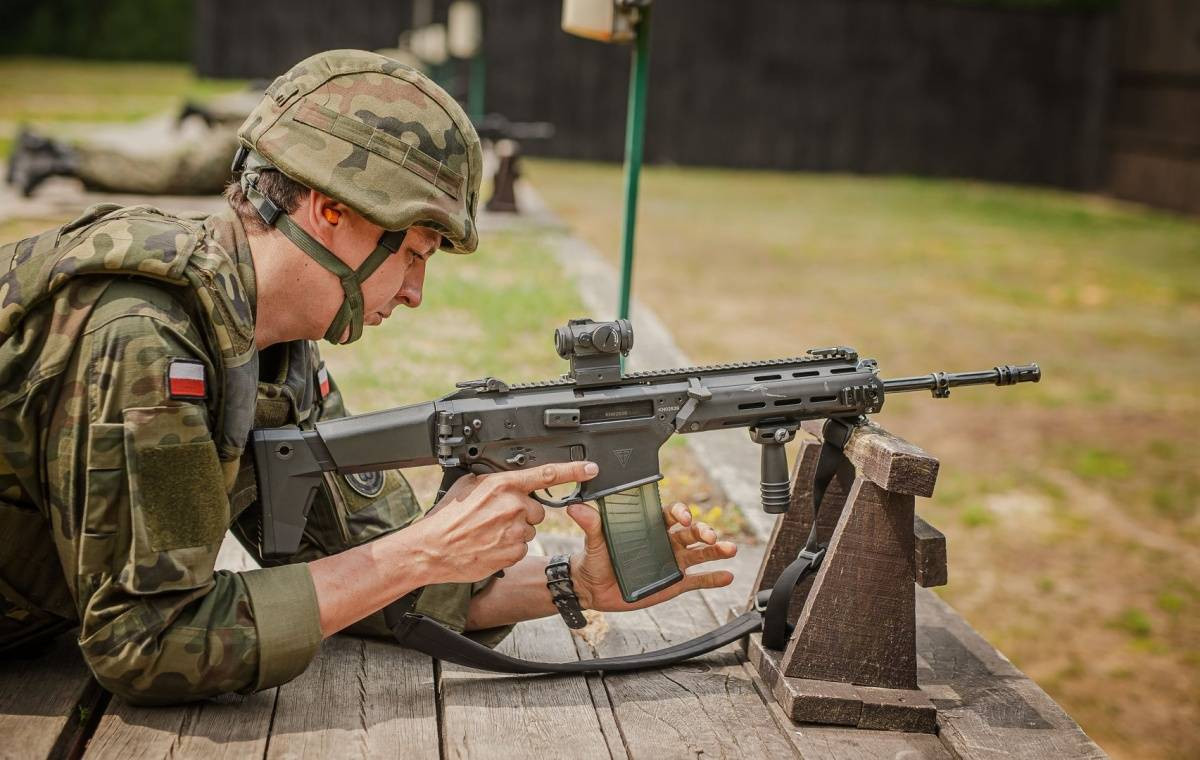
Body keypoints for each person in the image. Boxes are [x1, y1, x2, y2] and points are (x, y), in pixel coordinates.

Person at [0, 49, 737, 704]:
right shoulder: (142, 333)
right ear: (330, 211)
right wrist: (420, 550)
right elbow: (147, 645)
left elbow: (366, 579)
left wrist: (571, 585)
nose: (415, 291)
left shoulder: (268, 345)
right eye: (414, 252)